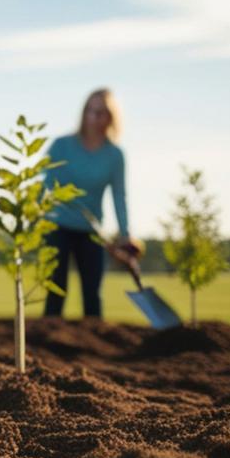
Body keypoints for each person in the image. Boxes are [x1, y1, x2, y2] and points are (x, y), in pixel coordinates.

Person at [43, 87, 140, 318]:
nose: (95, 117)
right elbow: (45, 184)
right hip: (57, 226)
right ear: (83, 113)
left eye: (102, 112)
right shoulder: (61, 146)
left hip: (91, 230)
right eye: (91, 111)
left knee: (93, 293)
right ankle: (43, 346)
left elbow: (119, 196)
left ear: (111, 118)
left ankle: (93, 348)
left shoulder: (115, 155)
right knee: (56, 290)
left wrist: (125, 235)